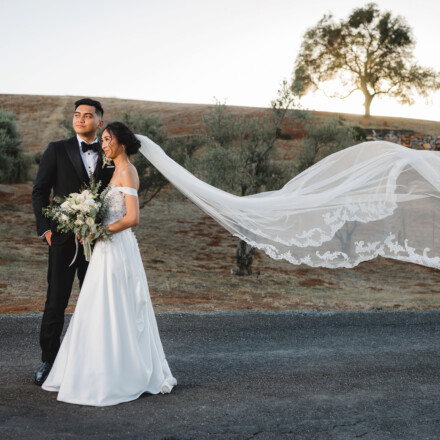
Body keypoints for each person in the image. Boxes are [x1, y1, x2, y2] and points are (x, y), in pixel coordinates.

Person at [41, 122, 176, 406]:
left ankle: (117, 372)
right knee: (99, 305)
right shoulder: (115, 170)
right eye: (102, 140)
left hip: (116, 247)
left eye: (107, 139)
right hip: (106, 248)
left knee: (116, 306)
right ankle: (96, 368)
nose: (103, 144)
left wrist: (99, 231)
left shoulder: (126, 171)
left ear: (122, 144)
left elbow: (132, 218)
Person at [32, 98, 114, 385]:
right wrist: (47, 230)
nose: (80, 120)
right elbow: (40, 191)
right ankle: (49, 361)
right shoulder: (57, 150)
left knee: (96, 301)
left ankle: (92, 363)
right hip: (63, 240)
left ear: (99, 122)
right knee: (56, 301)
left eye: (88, 116)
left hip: (99, 242)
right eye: (77, 115)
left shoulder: (110, 155)